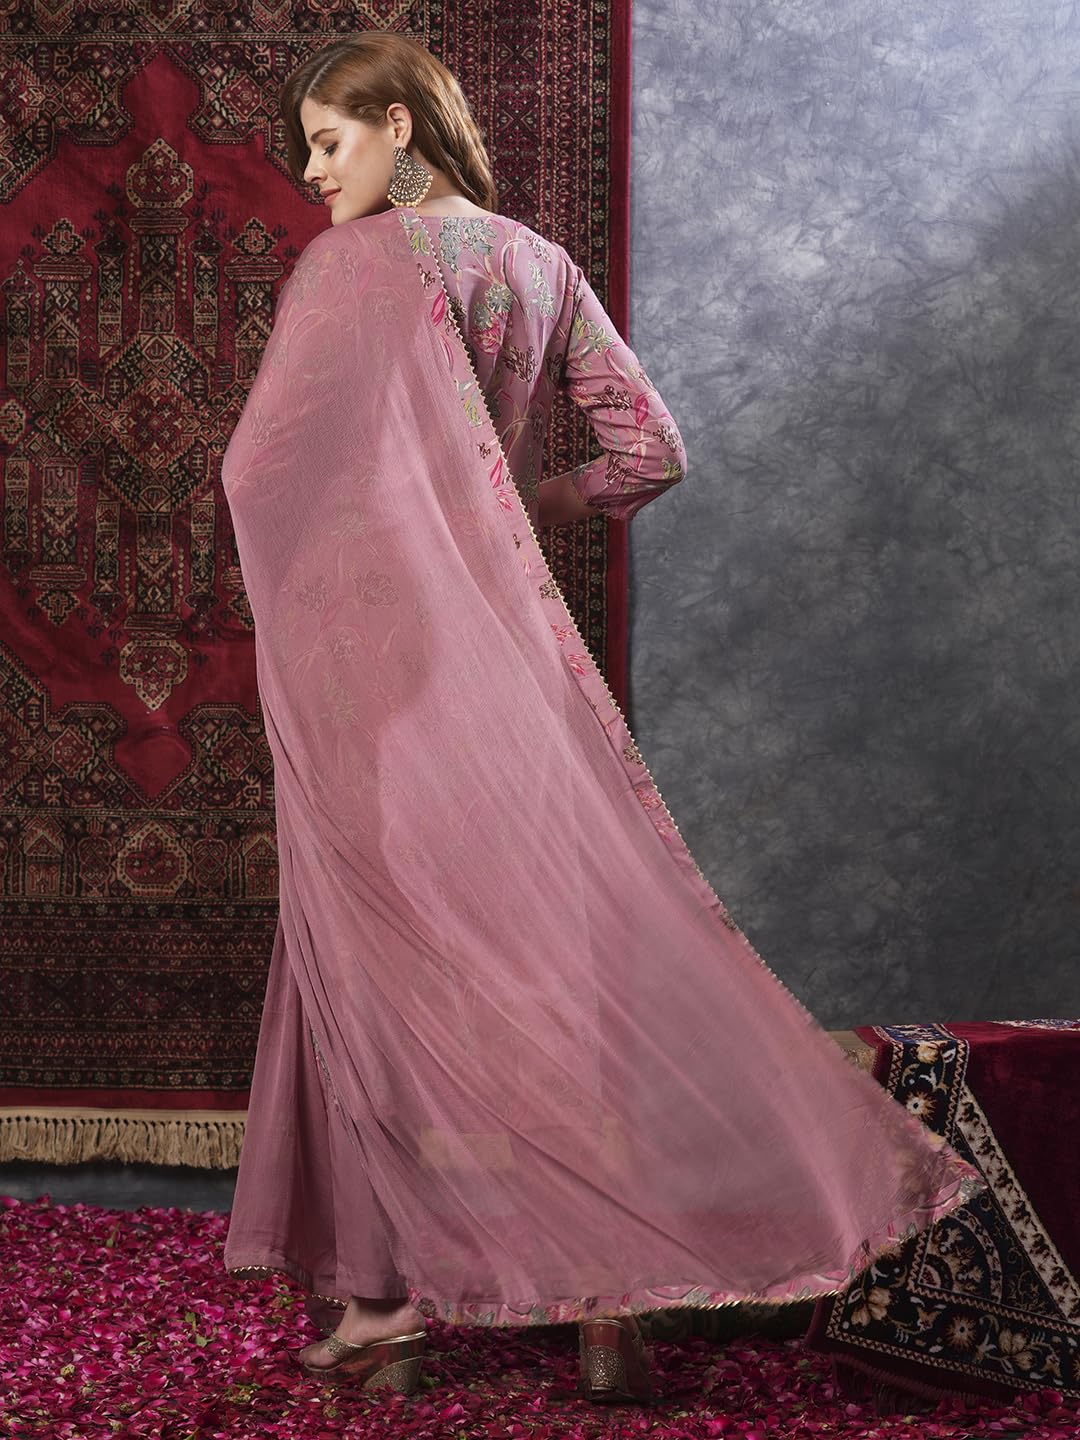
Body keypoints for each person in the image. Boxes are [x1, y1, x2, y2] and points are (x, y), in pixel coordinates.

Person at [220, 32, 987, 1408]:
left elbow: (262, 466)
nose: (313, 173)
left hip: (378, 669)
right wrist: (520, 509)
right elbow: (650, 451)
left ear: (398, 126)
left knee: (374, 966)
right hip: (507, 665)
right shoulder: (537, 265)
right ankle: (608, 1296)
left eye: (329, 141)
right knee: (550, 967)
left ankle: (385, 1308)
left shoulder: (353, 267)